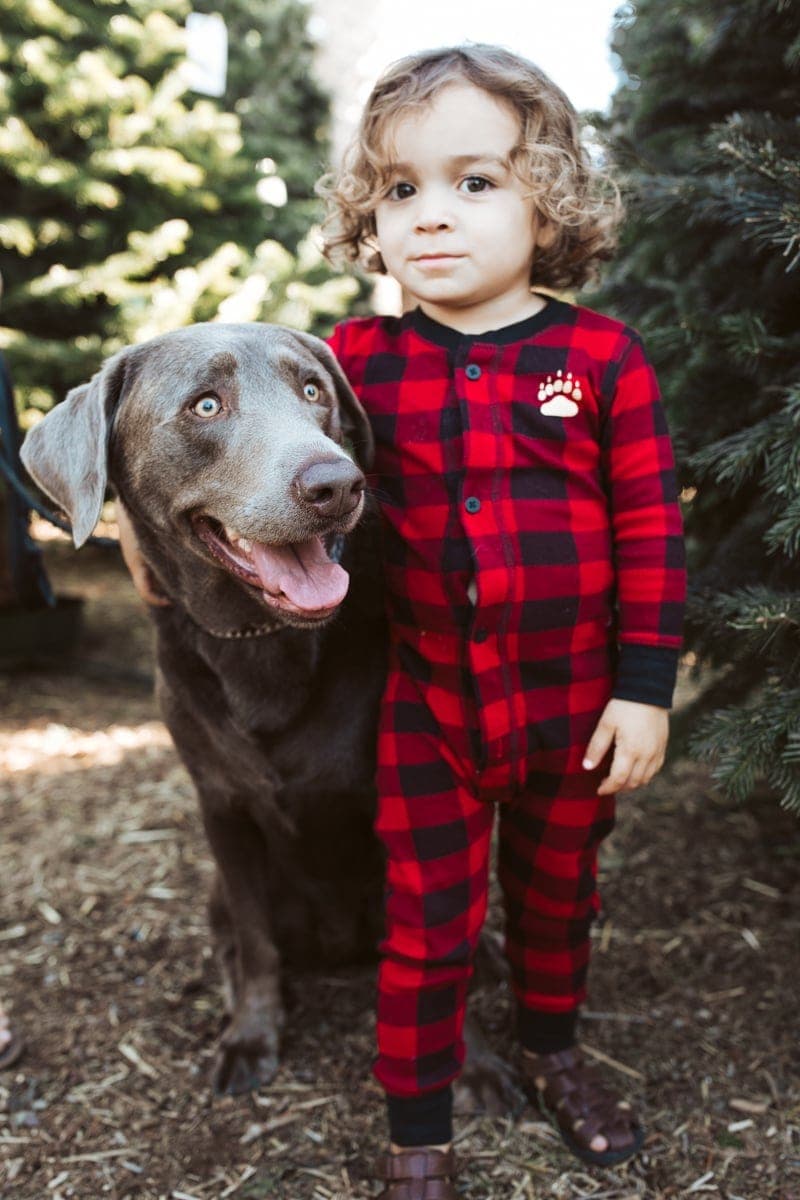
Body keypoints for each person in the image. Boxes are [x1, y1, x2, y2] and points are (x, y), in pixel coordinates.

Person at [120, 44, 686, 1198]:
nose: (432, 216)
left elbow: (650, 532)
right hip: (424, 705)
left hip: (571, 707)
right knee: (427, 917)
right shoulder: (351, 362)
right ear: (368, 220)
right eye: (399, 190)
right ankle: (414, 1129)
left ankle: (551, 1049)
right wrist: (144, 543)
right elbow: (248, 461)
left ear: (551, 199)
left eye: (474, 182)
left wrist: (643, 689)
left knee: (552, 895)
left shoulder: (600, 359)